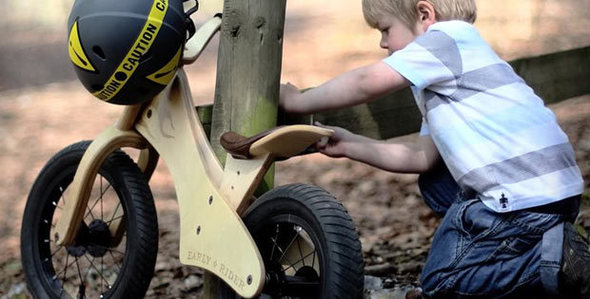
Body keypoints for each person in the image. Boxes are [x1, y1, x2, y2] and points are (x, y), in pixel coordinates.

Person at [279, 0, 590, 297]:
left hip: (520, 200)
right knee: (436, 181)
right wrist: (350, 144)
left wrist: (300, 101)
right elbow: (422, 156)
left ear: (425, 15)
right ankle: (545, 245)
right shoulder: (461, 64)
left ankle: (548, 262)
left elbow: (365, 81)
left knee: (442, 281)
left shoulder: (443, 42)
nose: (382, 44)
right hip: (551, 192)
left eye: (385, 30)